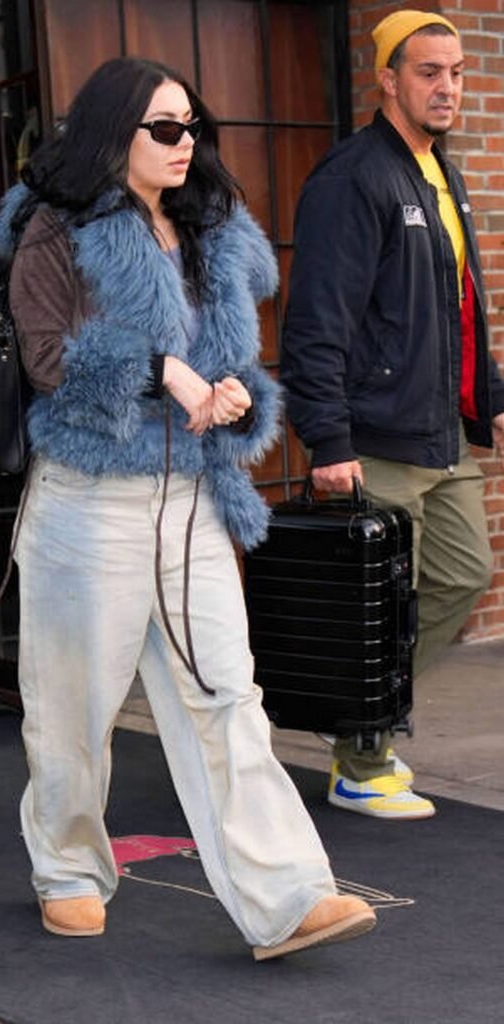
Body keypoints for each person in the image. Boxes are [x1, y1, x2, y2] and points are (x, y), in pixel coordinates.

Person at [0, 56, 376, 959]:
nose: (184, 143)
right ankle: (68, 871)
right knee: (73, 710)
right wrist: (159, 369)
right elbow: (46, 358)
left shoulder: (212, 229)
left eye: (191, 126)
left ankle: (287, 896)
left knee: (227, 698)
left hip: (194, 499)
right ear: (112, 131)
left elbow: (229, 362)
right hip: (89, 505)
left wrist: (234, 397)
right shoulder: (57, 226)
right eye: (164, 128)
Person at [280, 11, 504, 820]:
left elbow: (457, 310)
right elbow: (316, 319)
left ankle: (360, 715)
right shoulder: (354, 178)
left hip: (438, 431)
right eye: (426, 71)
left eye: (455, 72)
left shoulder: (440, 174)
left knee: (460, 575)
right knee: (377, 604)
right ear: (386, 79)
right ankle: (360, 762)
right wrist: (327, 438)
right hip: (374, 436)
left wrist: (488, 398)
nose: (446, 87)